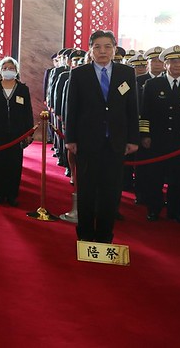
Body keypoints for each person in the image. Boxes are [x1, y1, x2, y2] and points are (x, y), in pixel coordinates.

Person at [65, 30, 139, 243]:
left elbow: (131, 109)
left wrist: (133, 139)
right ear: (91, 50)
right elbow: (72, 108)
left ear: (115, 49)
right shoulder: (80, 74)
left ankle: (105, 235)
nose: (102, 51)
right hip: (87, 142)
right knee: (87, 190)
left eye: (107, 46)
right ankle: (86, 235)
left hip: (116, 142)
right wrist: (70, 138)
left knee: (111, 191)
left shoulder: (126, 73)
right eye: (97, 46)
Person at [140, 45, 180, 224]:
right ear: (165, 64)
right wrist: (145, 135)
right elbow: (145, 113)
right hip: (158, 141)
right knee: (155, 178)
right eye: (174, 62)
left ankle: (175, 211)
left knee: (179, 179)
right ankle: (154, 209)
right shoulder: (153, 84)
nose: (178, 65)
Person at [0, 57, 34, 207]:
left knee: (14, 165)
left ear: (16, 71)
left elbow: (27, 112)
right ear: (0, 70)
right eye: (5, 67)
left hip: (17, 134)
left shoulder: (23, 89)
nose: (8, 70)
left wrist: (28, 133)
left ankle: (12, 195)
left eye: (11, 68)